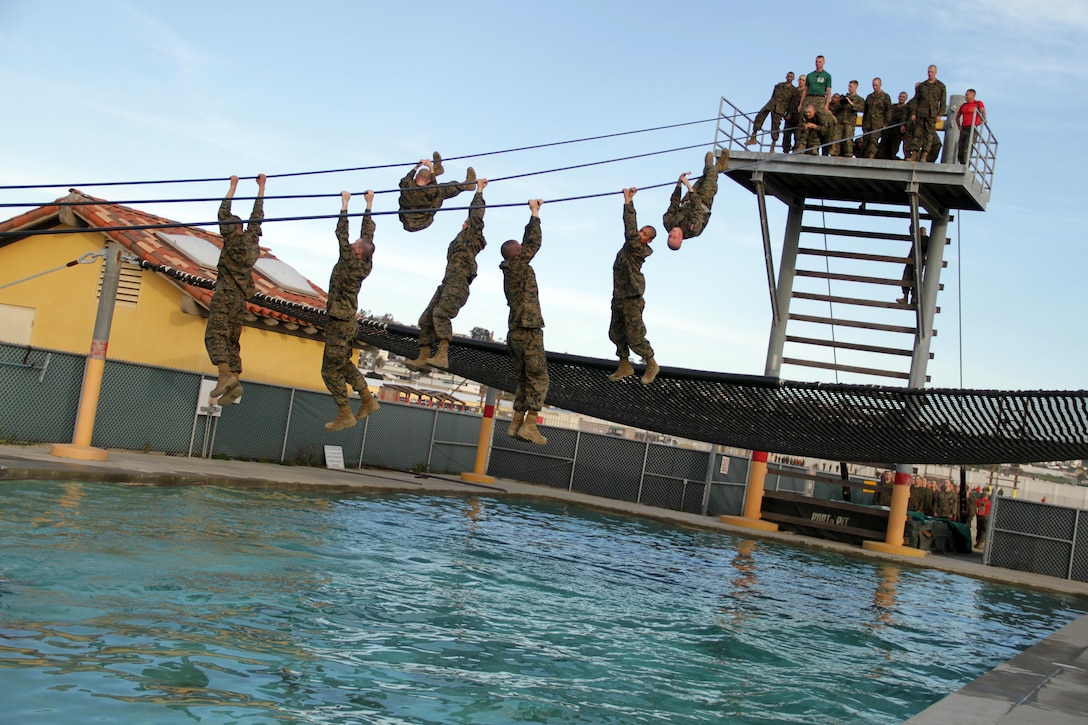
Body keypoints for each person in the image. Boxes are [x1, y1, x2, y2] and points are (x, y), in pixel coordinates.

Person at [406, 177, 489, 371]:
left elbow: (476, 215)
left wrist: (479, 191)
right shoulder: (461, 239)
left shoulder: (471, 238)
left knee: (441, 313)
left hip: (458, 283)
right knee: (426, 318)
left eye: (466, 222)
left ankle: (442, 355)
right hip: (447, 282)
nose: (463, 223)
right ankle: (424, 357)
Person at [322, 190, 381, 431]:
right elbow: (367, 236)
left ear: (356, 251)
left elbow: (341, 233)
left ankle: (345, 412)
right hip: (346, 322)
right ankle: (367, 399)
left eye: (353, 245)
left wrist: (345, 205)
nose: (351, 243)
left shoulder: (349, 261)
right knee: (343, 363)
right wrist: (368, 205)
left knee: (329, 370)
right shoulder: (365, 262)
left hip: (338, 320)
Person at [206, 173, 265, 406]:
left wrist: (233, 186)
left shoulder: (231, 240)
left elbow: (222, 212)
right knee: (232, 339)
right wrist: (262, 187)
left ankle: (225, 375)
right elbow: (257, 216)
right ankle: (235, 382)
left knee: (215, 335)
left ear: (232, 229)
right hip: (241, 300)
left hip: (225, 293)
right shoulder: (251, 241)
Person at [500, 199, 549, 445]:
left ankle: (516, 423)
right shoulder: (519, 264)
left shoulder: (510, 269)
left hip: (514, 332)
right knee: (539, 378)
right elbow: (534, 243)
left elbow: (525, 244)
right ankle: (530, 424)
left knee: (523, 379)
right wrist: (535, 213)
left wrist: (531, 217)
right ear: (517, 253)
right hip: (528, 329)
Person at [609, 187, 659, 385]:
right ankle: (625, 364)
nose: (640, 234)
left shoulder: (637, 249)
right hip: (619, 296)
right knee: (615, 332)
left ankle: (652, 363)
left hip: (632, 298)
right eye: (641, 231)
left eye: (644, 234)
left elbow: (629, 230)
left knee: (635, 337)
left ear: (649, 240)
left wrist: (628, 201)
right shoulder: (629, 246)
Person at [662, 150, 730, 251]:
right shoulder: (693, 230)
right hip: (703, 202)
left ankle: (716, 168)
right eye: (674, 237)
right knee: (710, 176)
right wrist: (688, 186)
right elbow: (697, 209)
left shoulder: (668, 223)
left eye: (670, 236)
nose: (672, 234)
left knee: (705, 177)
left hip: (688, 199)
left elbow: (674, 203)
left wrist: (679, 183)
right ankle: (717, 166)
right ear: (681, 239)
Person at [398, 152, 477, 232]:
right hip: (422, 221)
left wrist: (417, 166)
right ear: (429, 181)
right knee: (441, 190)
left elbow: (407, 178)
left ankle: (436, 170)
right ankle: (467, 185)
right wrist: (430, 167)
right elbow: (434, 187)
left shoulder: (406, 185)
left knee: (418, 187)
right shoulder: (430, 191)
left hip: (406, 221)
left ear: (416, 176)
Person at [746, 72, 796, 150]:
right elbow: (773, 95)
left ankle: (773, 146)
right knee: (760, 116)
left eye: (791, 77)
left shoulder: (793, 90)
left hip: (780, 109)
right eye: (788, 76)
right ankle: (753, 136)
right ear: (786, 77)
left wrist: (788, 113)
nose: (789, 78)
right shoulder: (779, 85)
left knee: (775, 127)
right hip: (771, 104)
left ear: (793, 78)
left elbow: (792, 103)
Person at [908, 65, 947, 163]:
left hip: (932, 115)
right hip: (921, 114)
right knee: (917, 134)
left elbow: (942, 102)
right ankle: (914, 154)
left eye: (932, 72)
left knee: (929, 136)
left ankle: (924, 156)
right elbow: (916, 100)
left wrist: (939, 114)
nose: (930, 74)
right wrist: (913, 113)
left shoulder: (940, 86)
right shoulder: (922, 86)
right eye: (929, 72)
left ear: (936, 72)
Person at [832, 80, 865, 157]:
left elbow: (861, 108)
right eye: (848, 86)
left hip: (849, 122)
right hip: (840, 121)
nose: (849, 88)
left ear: (856, 87)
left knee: (848, 139)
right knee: (837, 138)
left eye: (851, 86)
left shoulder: (859, 99)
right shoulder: (844, 98)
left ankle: (848, 154)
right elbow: (835, 109)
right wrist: (841, 102)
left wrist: (851, 103)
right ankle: (835, 154)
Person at [898, 225, 929, 304]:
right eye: (920, 230)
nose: (921, 232)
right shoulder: (916, 238)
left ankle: (913, 298)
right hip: (911, 261)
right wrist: (914, 223)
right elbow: (911, 229)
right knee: (906, 278)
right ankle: (906, 298)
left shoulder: (926, 240)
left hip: (918, 262)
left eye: (923, 231)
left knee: (915, 280)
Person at [955, 88, 987, 164]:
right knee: (960, 149)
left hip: (972, 128)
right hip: (964, 128)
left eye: (967, 94)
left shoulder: (977, 103)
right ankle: (962, 163)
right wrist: (959, 126)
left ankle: (966, 165)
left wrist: (983, 119)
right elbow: (957, 116)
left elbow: (983, 111)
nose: (965, 96)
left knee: (967, 147)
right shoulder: (963, 105)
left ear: (973, 95)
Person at [863, 78, 891, 159]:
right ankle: (865, 155)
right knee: (866, 140)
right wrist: (863, 124)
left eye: (876, 85)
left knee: (873, 140)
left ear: (880, 85)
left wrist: (886, 123)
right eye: (873, 85)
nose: (874, 87)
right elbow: (866, 111)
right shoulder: (869, 97)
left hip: (878, 123)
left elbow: (888, 111)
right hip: (868, 123)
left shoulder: (885, 97)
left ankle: (871, 156)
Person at [782, 74, 806, 154]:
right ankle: (786, 150)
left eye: (803, 80)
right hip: (789, 117)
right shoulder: (793, 91)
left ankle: (795, 151)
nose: (801, 81)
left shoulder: (806, 93)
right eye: (800, 79)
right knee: (786, 136)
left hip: (799, 117)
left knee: (797, 136)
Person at [884, 91, 910, 160]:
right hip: (888, 128)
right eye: (900, 96)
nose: (901, 98)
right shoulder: (892, 107)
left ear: (906, 99)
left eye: (903, 97)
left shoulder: (906, 109)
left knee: (894, 147)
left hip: (897, 130)